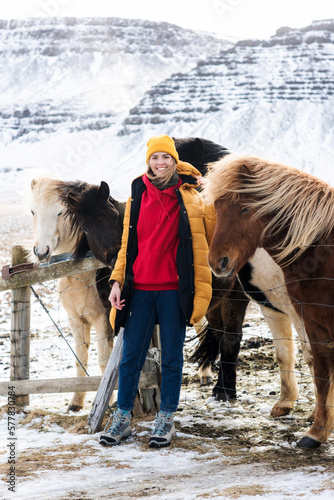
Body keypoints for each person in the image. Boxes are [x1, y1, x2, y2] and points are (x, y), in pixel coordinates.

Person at [99, 134, 215, 448]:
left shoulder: (191, 193)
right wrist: (116, 282)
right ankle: (122, 417)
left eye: (166, 157)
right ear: (148, 161)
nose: (160, 163)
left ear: (174, 160)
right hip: (139, 289)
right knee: (131, 356)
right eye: (154, 158)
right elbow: (127, 244)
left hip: (175, 289)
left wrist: (210, 192)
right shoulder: (137, 192)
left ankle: (165, 419)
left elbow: (211, 229)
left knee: (173, 358)